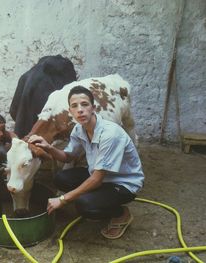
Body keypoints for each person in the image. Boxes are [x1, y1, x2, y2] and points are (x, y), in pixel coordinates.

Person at [28, 86, 144, 239]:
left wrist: (63, 199)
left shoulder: (110, 135)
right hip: (99, 176)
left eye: (84, 104)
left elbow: (96, 179)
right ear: (70, 111)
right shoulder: (79, 129)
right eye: (75, 106)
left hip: (123, 183)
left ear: (93, 108)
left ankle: (121, 214)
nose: (80, 110)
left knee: (84, 205)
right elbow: (68, 156)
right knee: (60, 179)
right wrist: (48, 147)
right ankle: (97, 199)